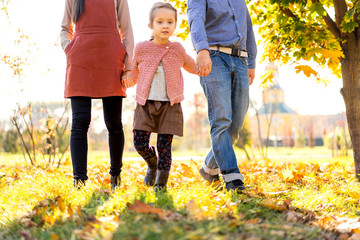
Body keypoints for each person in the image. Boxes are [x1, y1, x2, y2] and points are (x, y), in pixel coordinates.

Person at [123, 2, 199, 192]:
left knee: (165, 146)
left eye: (170, 22)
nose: (165, 26)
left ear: (175, 26)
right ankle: (152, 164)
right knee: (139, 142)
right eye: (160, 22)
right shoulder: (141, 48)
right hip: (145, 104)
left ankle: (160, 184)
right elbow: (133, 73)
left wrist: (206, 68)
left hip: (170, 105)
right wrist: (126, 78)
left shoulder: (177, 49)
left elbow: (193, 66)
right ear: (151, 26)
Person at [60, 0, 134, 189]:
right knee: (80, 121)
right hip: (80, 58)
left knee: (114, 123)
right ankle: (79, 180)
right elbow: (64, 27)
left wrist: (129, 66)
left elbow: (126, 29)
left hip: (111, 57)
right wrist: (69, 48)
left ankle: (115, 176)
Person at [187, 0, 257, 192]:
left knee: (236, 124)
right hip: (214, 57)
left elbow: (248, 27)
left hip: (241, 60)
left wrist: (251, 61)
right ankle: (232, 177)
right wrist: (201, 50)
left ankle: (209, 168)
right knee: (221, 119)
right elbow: (196, 20)